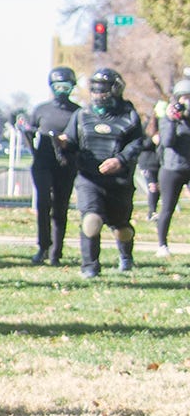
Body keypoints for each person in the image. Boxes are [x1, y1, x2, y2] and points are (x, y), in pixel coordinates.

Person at [63, 67, 149, 278]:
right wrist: (61, 143)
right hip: (89, 178)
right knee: (91, 220)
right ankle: (90, 267)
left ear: (116, 89)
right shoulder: (81, 115)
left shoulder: (129, 116)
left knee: (122, 228)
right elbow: (71, 141)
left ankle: (126, 256)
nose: (98, 94)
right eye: (95, 89)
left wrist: (120, 160)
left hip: (119, 181)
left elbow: (138, 143)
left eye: (103, 89)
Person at [22, 66, 83, 265]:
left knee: (60, 207)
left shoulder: (78, 112)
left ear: (72, 87)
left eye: (66, 87)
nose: (61, 91)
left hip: (67, 164)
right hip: (42, 163)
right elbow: (28, 132)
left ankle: (56, 251)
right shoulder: (41, 109)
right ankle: (43, 246)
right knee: (43, 204)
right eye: (57, 87)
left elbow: (82, 139)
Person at [155, 79, 190, 255]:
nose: (187, 101)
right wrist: (171, 120)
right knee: (167, 208)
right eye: (184, 98)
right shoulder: (168, 119)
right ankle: (162, 245)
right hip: (172, 168)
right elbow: (167, 142)